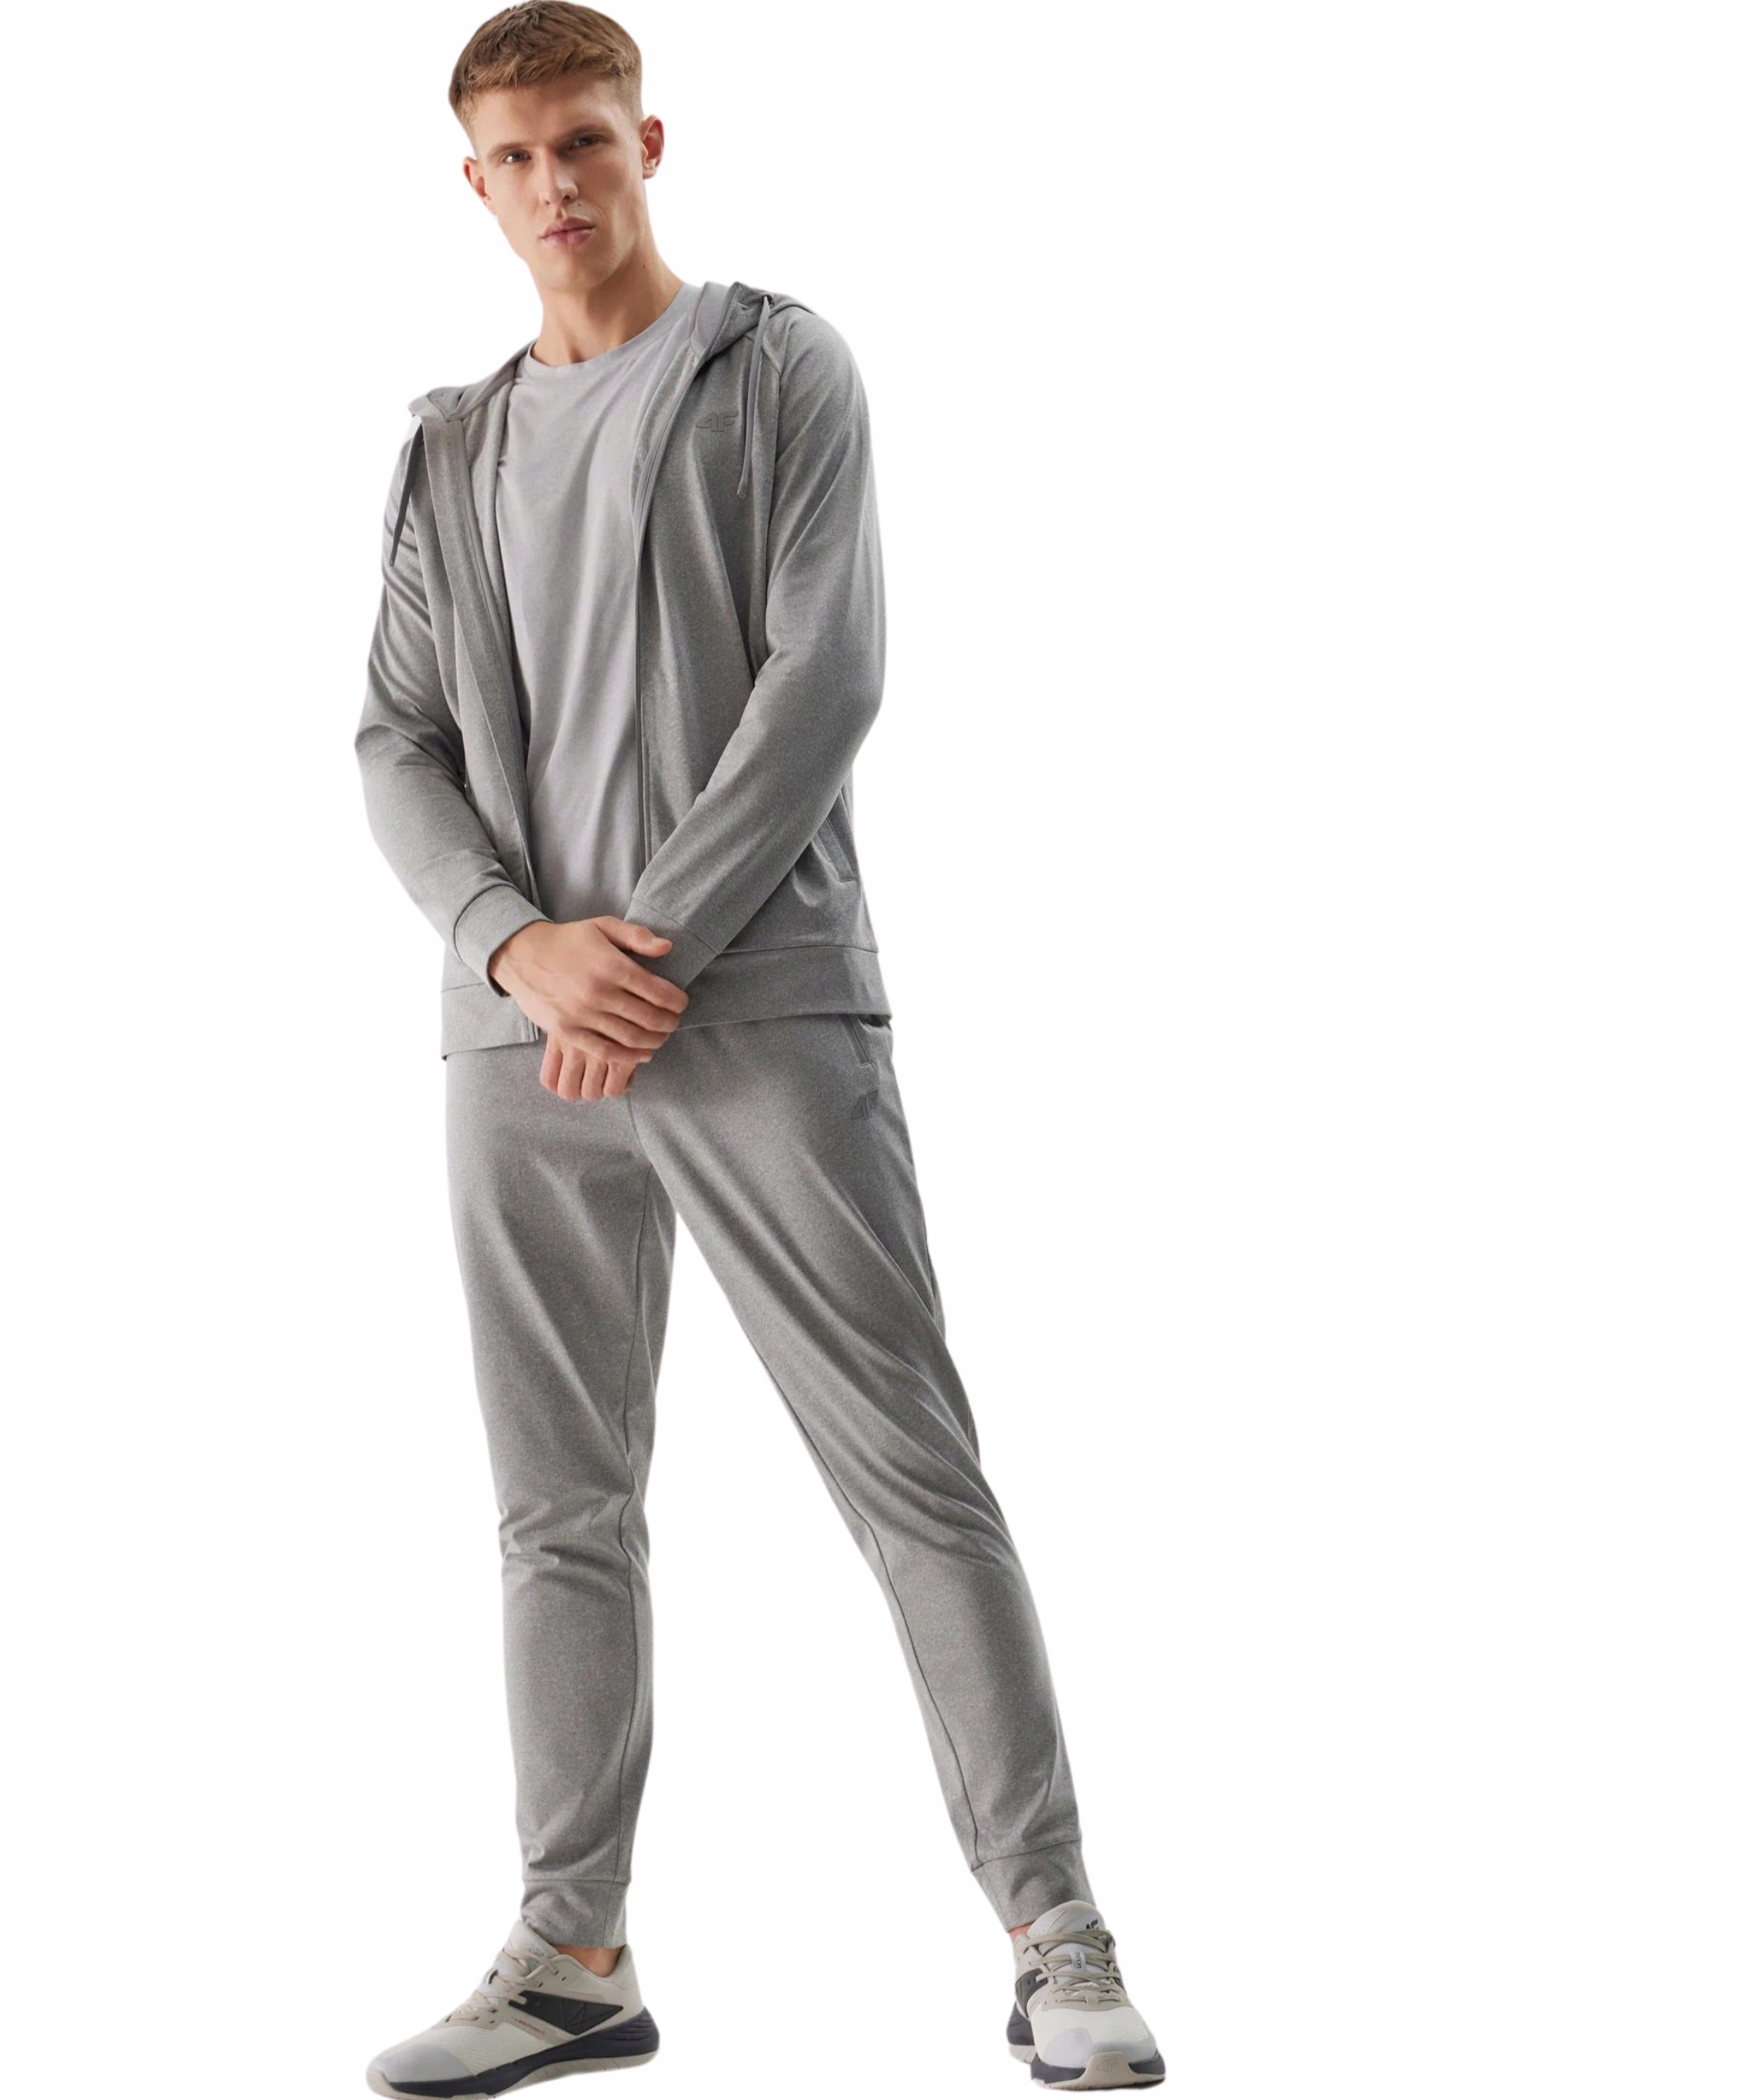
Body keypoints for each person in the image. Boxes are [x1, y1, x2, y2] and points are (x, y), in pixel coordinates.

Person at [352, 7, 1166, 2092]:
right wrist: (516, 945)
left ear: (647, 143)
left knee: (907, 1466)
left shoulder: (773, 366)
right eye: (515, 154)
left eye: (584, 140)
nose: (554, 182)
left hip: (759, 1004)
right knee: (555, 1508)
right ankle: (569, 1952)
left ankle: (1056, 1933)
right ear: (472, 182)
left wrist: (642, 952)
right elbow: (397, 740)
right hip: (515, 1036)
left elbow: (829, 672)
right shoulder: (446, 446)